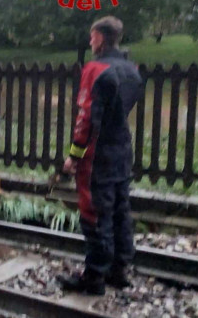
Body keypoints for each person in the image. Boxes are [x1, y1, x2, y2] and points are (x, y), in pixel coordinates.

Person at [58, 16, 142, 295]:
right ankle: (119, 270)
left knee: (95, 212)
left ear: (101, 38)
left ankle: (94, 277)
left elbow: (86, 118)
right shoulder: (131, 70)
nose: (90, 41)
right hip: (122, 149)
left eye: (92, 36)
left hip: (97, 154)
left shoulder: (95, 69)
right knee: (120, 210)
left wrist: (73, 156)